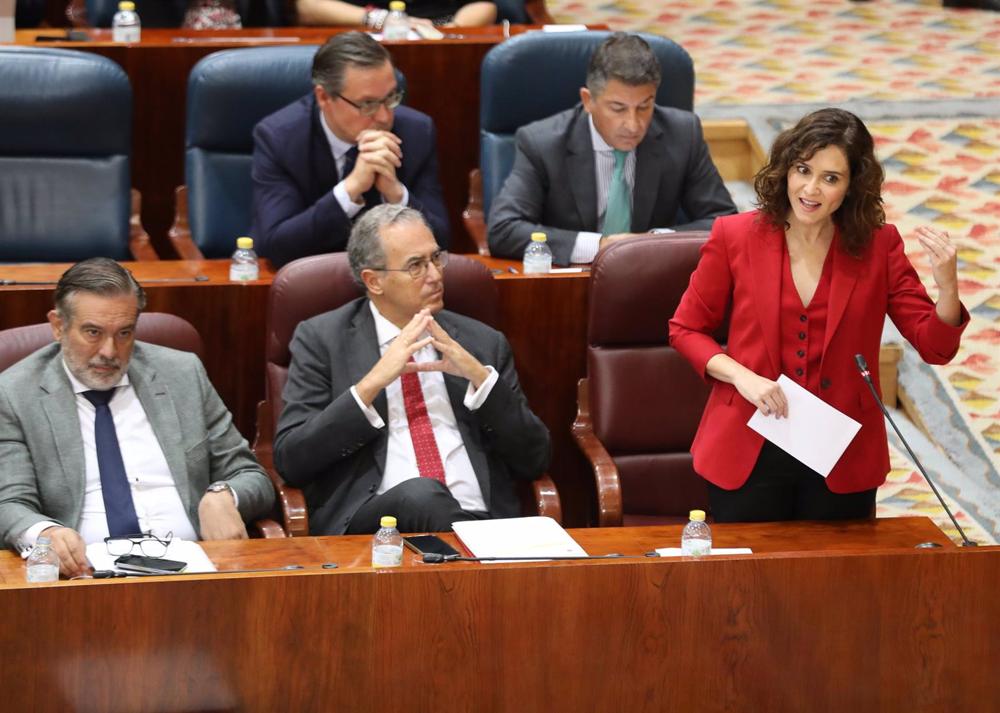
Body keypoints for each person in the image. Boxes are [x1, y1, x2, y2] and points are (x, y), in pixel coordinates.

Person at [669, 108, 969, 523]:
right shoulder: (734, 236)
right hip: (749, 440)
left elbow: (935, 347)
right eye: (802, 170)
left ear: (852, 186)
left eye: (831, 178)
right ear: (785, 170)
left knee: (835, 585)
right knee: (746, 585)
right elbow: (685, 329)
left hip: (841, 453)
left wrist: (948, 288)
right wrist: (743, 376)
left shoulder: (879, 246)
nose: (811, 189)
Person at [274, 204, 550, 535]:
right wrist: (372, 384)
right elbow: (292, 460)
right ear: (374, 281)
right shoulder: (322, 339)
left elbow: (535, 458)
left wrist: (480, 378)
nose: (435, 275)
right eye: (416, 266)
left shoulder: (482, 342)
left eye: (436, 258)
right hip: (375, 524)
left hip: (481, 518)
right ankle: (488, 566)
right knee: (422, 494)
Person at [0, 259, 275, 577]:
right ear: (58, 326)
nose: (109, 351)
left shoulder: (182, 374)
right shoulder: (15, 393)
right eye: (93, 332)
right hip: (85, 576)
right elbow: (9, 503)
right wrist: (44, 532)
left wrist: (224, 495)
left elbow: (252, 476)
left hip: (195, 571)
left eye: (124, 333)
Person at [487, 32, 736, 266]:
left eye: (644, 106)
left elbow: (724, 222)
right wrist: (601, 246)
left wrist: (651, 242)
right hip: (572, 283)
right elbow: (504, 230)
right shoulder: (542, 143)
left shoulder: (683, 133)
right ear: (588, 101)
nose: (633, 124)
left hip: (651, 277)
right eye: (618, 108)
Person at [252, 32, 449, 268]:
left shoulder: (416, 132)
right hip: (312, 281)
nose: (384, 116)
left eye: (390, 98)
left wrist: (396, 195)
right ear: (324, 97)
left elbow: (442, 241)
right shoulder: (279, 138)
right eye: (367, 104)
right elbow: (277, 246)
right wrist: (351, 189)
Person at [296, 0, 497, 28]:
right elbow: (307, 7)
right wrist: (380, 18)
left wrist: (447, 32)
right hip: (364, 32)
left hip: (442, 32)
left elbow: (484, 5)